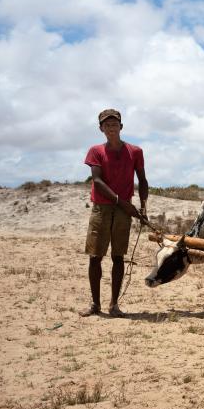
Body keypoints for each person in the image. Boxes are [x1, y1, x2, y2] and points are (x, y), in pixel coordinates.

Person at [80, 108, 148, 317]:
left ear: (121, 126)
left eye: (114, 124)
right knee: (95, 257)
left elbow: (142, 180)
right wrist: (122, 202)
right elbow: (97, 181)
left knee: (118, 257)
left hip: (123, 212)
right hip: (102, 208)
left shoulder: (135, 151)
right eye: (107, 125)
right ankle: (95, 304)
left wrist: (143, 207)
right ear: (101, 128)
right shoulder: (95, 151)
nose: (111, 128)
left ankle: (113, 305)